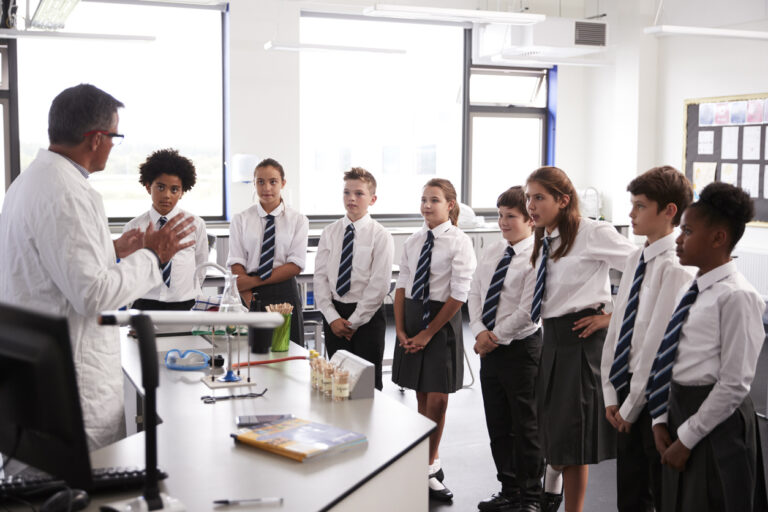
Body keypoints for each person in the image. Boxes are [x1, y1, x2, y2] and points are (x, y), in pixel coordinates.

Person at [0, 84, 195, 450]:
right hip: (74, 377)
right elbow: (93, 294)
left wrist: (114, 248)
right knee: (82, 490)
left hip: (36, 371)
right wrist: (154, 255)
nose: (112, 145)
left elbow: (53, 260)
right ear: (96, 138)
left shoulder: (29, 182)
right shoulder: (68, 193)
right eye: (114, 136)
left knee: (44, 488)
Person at [648, 182, 765, 512]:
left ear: (718, 238)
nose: (679, 239)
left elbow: (734, 383)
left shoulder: (737, 296)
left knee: (715, 499)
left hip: (716, 420)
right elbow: (671, 355)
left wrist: (687, 437)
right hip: (679, 408)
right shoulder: (694, 287)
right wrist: (660, 418)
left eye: (687, 230)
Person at [525, 166, 635, 512]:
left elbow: (643, 267)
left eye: (539, 197)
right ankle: (552, 483)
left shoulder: (592, 233)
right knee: (553, 433)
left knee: (574, 440)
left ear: (563, 200)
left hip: (581, 340)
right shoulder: (543, 235)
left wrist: (611, 316)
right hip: (551, 340)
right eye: (528, 197)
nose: (531, 204)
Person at [599, 166, 695, 512]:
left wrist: (631, 405)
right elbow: (619, 325)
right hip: (625, 390)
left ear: (669, 211)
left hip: (653, 398)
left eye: (639, 206)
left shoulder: (677, 267)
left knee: (652, 490)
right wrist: (611, 390)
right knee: (629, 487)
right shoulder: (636, 257)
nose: (630, 214)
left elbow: (657, 346)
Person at [391, 178, 476, 502]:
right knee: (422, 395)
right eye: (424, 199)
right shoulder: (413, 241)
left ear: (450, 205)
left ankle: (427, 465)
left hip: (441, 322)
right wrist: (400, 329)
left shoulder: (459, 242)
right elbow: (402, 286)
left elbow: (459, 294)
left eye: (435, 200)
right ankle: (428, 462)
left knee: (439, 399)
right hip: (412, 316)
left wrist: (428, 333)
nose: (427, 205)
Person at [468, 186, 544, 512]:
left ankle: (531, 498)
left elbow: (529, 312)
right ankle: (509, 490)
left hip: (521, 349)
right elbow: (475, 292)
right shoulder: (494, 250)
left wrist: (493, 336)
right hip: (491, 349)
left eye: (510, 216)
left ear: (530, 219)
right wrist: (480, 331)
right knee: (498, 425)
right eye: (499, 215)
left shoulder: (538, 256)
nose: (502, 222)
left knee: (525, 427)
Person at [313, 167, 394, 390]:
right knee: (338, 383)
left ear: (372, 199)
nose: (351, 198)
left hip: (367, 318)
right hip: (335, 317)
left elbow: (379, 285)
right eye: (347, 192)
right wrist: (333, 318)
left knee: (367, 387)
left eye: (359, 193)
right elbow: (320, 279)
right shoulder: (330, 232)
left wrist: (354, 322)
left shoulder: (381, 235)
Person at [227, 158, 309, 346]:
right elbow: (236, 263)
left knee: (288, 350)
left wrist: (255, 280)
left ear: (283, 183)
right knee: (253, 353)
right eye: (260, 182)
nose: (267, 188)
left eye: (273, 182)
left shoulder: (298, 220)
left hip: (283, 290)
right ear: (254, 184)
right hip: (249, 292)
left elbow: (295, 265)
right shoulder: (241, 219)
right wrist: (250, 300)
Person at [123, 148, 208, 311]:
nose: (167, 195)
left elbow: (201, 267)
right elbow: (129, 271)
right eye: (160, 187)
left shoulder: (196, 225)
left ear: (182, 192)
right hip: (145, 303)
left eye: (174, 189)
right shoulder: (133, 227)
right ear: (148, 187)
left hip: (185, 304)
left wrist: (190, 293)